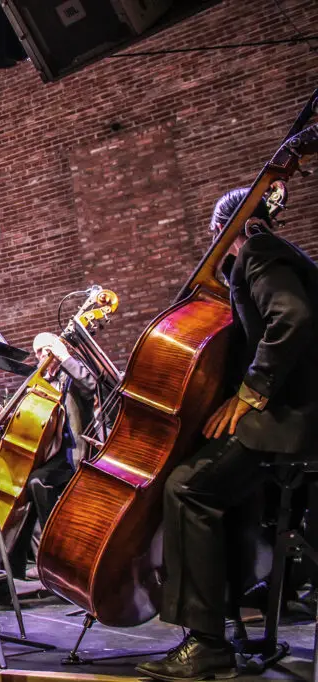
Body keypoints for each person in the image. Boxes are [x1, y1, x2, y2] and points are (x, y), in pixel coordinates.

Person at [137, 188, 318, 681]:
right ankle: (230, 617)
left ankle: (206, 642)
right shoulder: (284, 253)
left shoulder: (257, 251)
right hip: (293, 420)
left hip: (289, 422)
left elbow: (293, 316)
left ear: (224, 232)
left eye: (217, 238)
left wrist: (249, 393)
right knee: (221, 488)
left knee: (187, 488)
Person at [0, 332, 98, 581]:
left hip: (76, 454)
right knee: (24, 487)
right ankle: (12, 568)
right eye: (38, 352)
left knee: (37, 482)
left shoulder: (73, 374)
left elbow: (93, 386)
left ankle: (55, 556)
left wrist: (65, 358)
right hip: (52, 457)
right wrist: (8, 416)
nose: (42, 355)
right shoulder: (40, 385)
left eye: (46, 349)